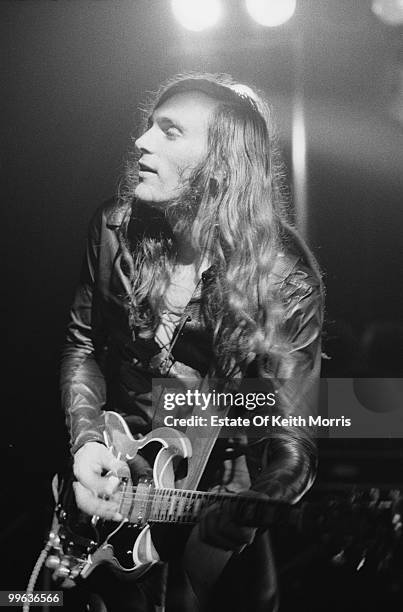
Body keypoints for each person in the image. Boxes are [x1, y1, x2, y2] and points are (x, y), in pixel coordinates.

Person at [60, 73, 324, 612]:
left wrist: (262, 499)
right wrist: (86, 441)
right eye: (149, 126)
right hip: (117, 483)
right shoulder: (114, 229)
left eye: (170, 131)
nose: (141, 142)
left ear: (220, 163)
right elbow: (82, 346)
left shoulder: (285, 276)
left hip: (214, 493)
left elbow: (293, 445)